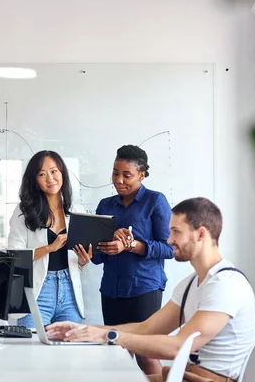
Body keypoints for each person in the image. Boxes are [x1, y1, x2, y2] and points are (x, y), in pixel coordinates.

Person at [47, 198, 255, 382]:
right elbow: (147, 328)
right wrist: (83, 329)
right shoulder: (191, 283)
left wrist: (109, 336)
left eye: (176, 232)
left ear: (201, 234)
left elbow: (178, 346)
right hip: (186, 375)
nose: (169, 240)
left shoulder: (225, 284)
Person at [85, 144, 173, 374]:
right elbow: (98, 257)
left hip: (144, 288)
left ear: (141, 175)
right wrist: (91, 252)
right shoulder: (105, 205)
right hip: (111, 290)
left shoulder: (155, 201)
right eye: (115, 173)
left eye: (127, 175)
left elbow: (169, 248)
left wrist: (130, 245)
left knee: (145, 354)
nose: (119, 180)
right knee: (115, 354)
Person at [8, 150, 91, 328]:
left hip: (69, 292)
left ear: (62, 173)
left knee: (69, 352)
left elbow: (76, 261)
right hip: (38, 292)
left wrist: (83, 261)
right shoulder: (24, 211)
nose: (50, 178)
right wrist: (50, 248)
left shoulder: (77, 210)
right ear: (35, 181)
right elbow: (14, 256)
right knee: (31, 351)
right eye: (42, 174)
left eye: (54, 171)